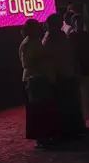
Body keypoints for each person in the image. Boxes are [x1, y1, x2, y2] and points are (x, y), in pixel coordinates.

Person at [43, 13, 85, 138]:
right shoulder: (49, 38)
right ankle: (67, 131)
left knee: (72, 103)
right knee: (63, 105)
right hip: (58, 76)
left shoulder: (61, 35)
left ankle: (75, 129)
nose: (60, 24)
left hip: (68, 73)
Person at [19, 19, 59, 149]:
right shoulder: (28, 43)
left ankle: (44, 136)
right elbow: (27, 63)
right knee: (37, 110)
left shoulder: (33, 41)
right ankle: (40, 137)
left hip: (38, 77)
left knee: (42, 109)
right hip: (34, 79)